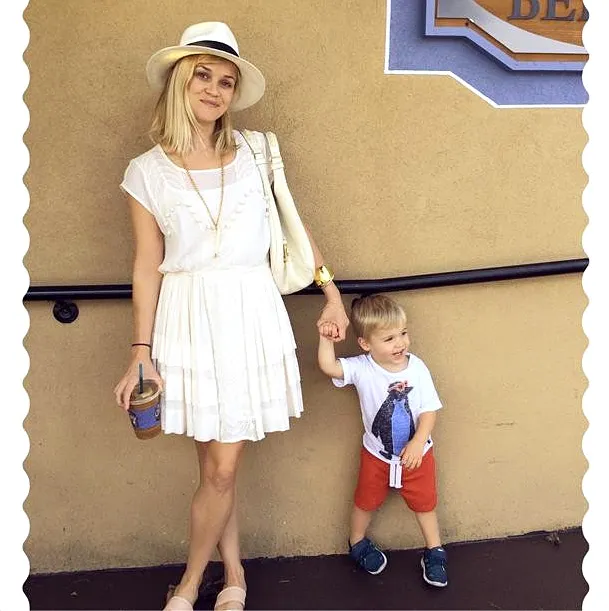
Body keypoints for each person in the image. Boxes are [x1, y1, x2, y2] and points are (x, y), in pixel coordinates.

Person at [113, 21, 349, 611]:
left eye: (226, 81)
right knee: (215, 465)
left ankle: (190, 583)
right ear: (178, 81)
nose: (215, 90)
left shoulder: (255, 152)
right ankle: (235, 574)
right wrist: (140, 352)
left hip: (249, 314)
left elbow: (292, 228)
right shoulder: (145, 172)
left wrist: (331, 292)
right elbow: (146, 264)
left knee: (222, 465)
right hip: (187, 319)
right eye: (203, 76)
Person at [317, 294, 448, 587]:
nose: (400, 343)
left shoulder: (417, 368)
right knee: (365, 501)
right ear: (366, 344)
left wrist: (418, 442)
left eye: (403, 333)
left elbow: (429, 410)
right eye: (389, 339)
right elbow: (329, 366)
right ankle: (357, 541)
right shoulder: (362, 367)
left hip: (417, 455)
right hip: (377, 456)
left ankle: (435, 550)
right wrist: (326, 337)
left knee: (425, 503)